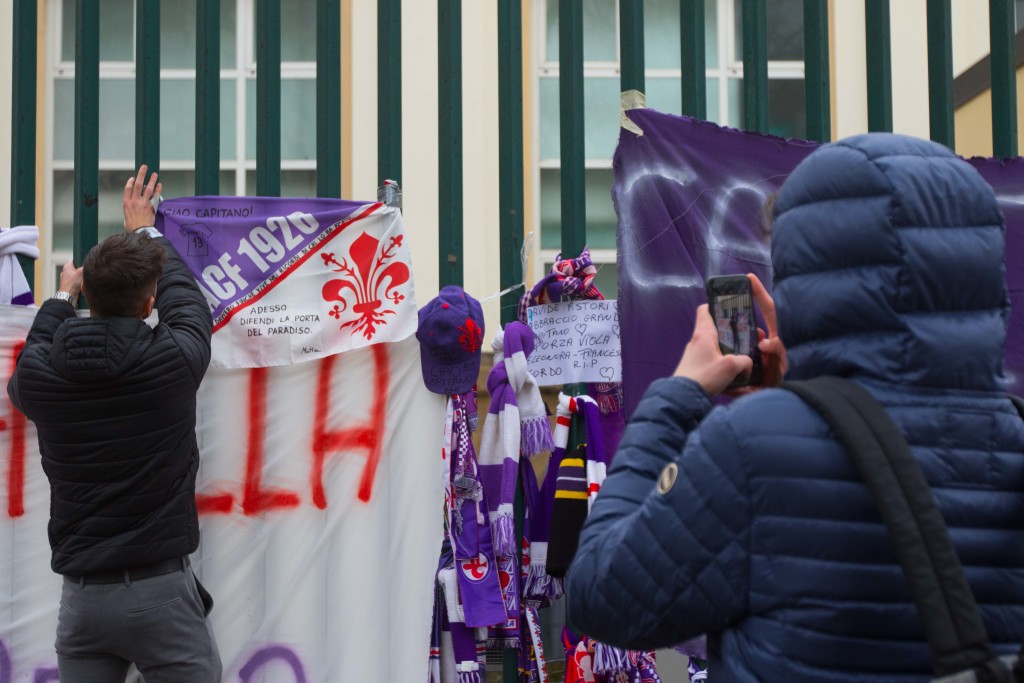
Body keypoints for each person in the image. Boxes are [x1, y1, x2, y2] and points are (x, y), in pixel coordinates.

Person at [564, 134, 1024, 681]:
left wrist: (679, 393)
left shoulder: (752, 445)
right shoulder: (1014, 430)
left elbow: (602, 595)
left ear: (811, 272)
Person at [7, 166, 221, 681]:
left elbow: (31, 354)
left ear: (88, 297)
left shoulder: (42, 378)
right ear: (149, 304)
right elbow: (190, 308)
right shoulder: (170, 363)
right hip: (160, 594)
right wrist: (145, 231)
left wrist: (61, 296)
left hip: (82, 602)